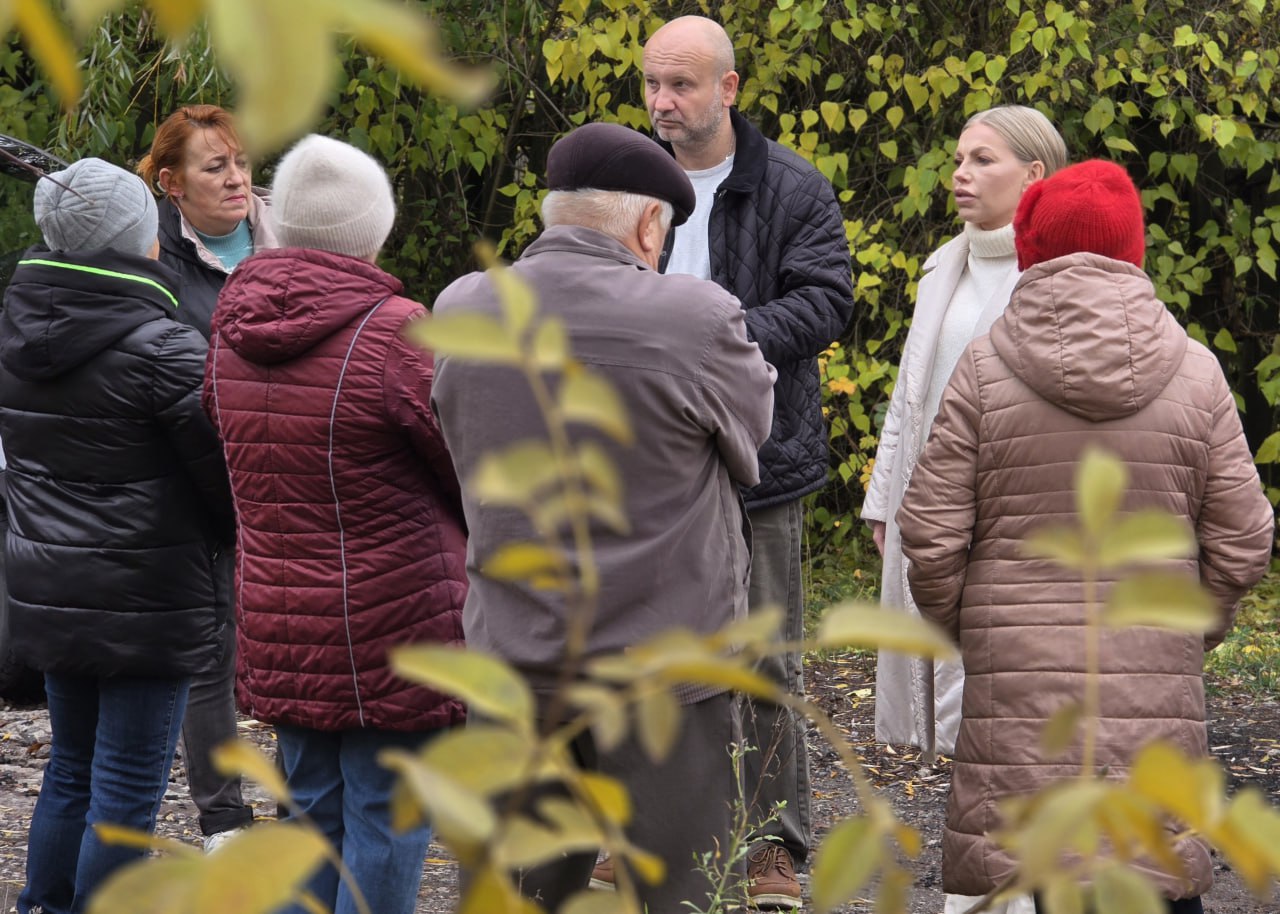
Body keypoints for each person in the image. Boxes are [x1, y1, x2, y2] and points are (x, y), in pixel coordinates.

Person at [895, 160, 1275, 914]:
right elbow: (1245, 537)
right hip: (1152, 665)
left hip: (1021, 677)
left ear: (1030, 250)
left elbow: (930, 534)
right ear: (1133, 250)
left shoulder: (983, 369)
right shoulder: (1196, 372)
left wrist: (978, 630)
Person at [430, 121, 776, 913]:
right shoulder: (694, 318)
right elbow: (749, 436)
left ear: (553, 215)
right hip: (663, 667)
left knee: (514, 890)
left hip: (517, 650)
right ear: (650, 224)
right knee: (683, 887)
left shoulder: (461, 307)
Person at [202, 134, 466, 914]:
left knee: (308, 808)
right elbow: (460, 465)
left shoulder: (230, 325)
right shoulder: (395, 331)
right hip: (395, 616)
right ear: (374, 228)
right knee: (387, 811)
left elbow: (221, 440)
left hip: (282, 611)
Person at [636, 17, 854, 906]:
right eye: (651, 84)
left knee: (763, 659)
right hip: (645, 463)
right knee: (646, 653)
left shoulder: (790, 185)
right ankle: (648, 828)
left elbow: (826, 301)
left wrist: (714, 339)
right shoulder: (628, 182)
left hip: (761, 461)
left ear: (729, 88)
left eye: (681, 85)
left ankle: (773, 848)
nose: (661, 103)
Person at [0, 158, 233, 914]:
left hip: (50, 590)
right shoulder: (168, 352)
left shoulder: (17, 337)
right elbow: (225, 485)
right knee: (128, 784)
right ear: (137, 241)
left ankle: (43, 903)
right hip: (149, 602)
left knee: (69, 767)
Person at [862, 106, 1068, 760]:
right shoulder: (944, 267)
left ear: (1034, 173)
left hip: (1017, 510)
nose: (960, 174)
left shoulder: (1060, 272)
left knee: (1010, 692)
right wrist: (884, 500)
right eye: (958, 160)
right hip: (935, 506)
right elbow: (910, 395)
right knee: (955, 695)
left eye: (982, 160)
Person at [136, 103, 275, 850]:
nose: (236, 180)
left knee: (295, 636)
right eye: (214, 167)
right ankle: (224, 818)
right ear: (171, 183)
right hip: (201, 475)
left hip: (290, 462)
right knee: (210, 648)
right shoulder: (149, 257)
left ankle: (316, 804)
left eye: (242, 163)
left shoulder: (286, 230)